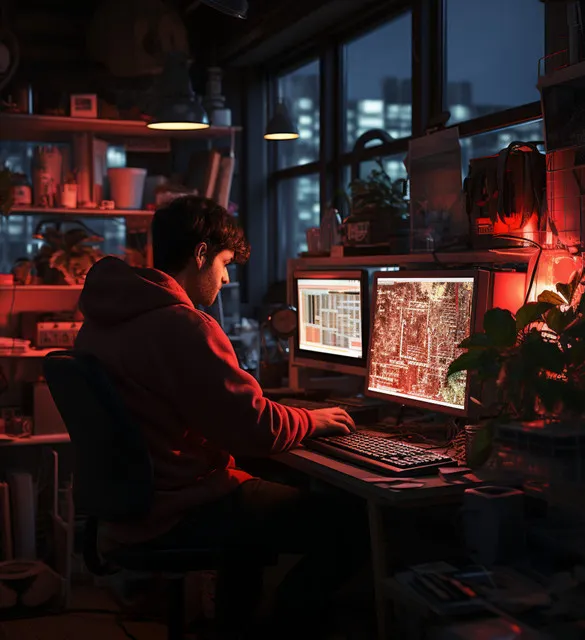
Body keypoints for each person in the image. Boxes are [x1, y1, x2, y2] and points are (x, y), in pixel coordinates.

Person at [75, 196, 367, 638]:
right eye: (225, 262)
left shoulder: (100, 321)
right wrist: (315, 420)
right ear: (201, 253)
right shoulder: (184, 325)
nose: (227, 277)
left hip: (131, 510)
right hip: (178, 507)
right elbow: (255, 428)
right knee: (351, 524)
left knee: (258, 509)